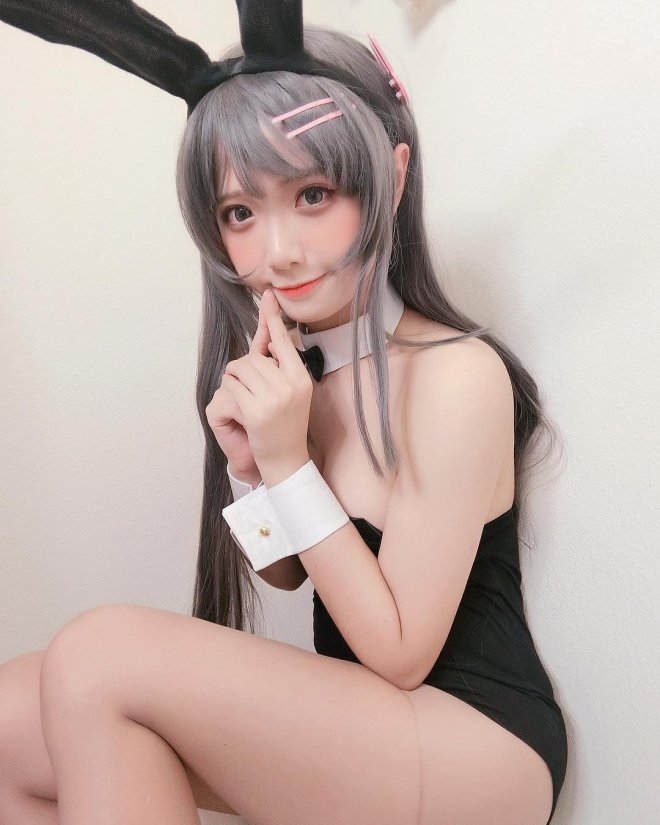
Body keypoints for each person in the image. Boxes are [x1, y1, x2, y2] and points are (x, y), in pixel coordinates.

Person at [0, 3, 567, 824]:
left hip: (476, 743)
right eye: (241, 212)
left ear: (392, 178)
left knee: (99, 655)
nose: (279, 251)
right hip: (369, 718)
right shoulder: (309, 372)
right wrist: (252, 469)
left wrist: (289, 461)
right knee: (11, 715)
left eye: (313, 194)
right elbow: (289, 572)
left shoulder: (457, 376)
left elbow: (401, 652)